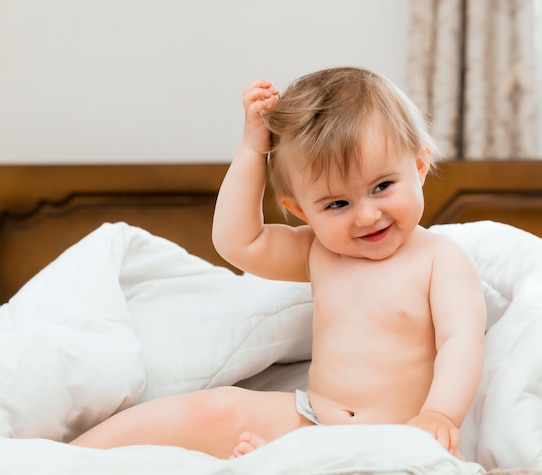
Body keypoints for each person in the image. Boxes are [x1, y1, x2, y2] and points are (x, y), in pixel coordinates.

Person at [70, 66, 486, 459]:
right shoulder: (319, 252)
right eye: (337, 203)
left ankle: (281, 461)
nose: (366, 215)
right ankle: (62, 457)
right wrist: (254, 150)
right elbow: (238, 242)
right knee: (219, 408)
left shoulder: (439, 260)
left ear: (419, 165)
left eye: (382, 186)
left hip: (401, 434)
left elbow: (461, 342)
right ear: (302, 211)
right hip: (313, 420)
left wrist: (440, 416)